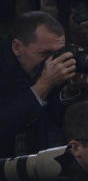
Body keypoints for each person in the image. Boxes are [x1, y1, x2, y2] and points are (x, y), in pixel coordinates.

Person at [0, 11, 74, 157]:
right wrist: (44, 85)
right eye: (45, 54)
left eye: (58, 53)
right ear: (17, 48)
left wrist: (72, 90)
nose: (52, 62)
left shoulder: (48, 70)